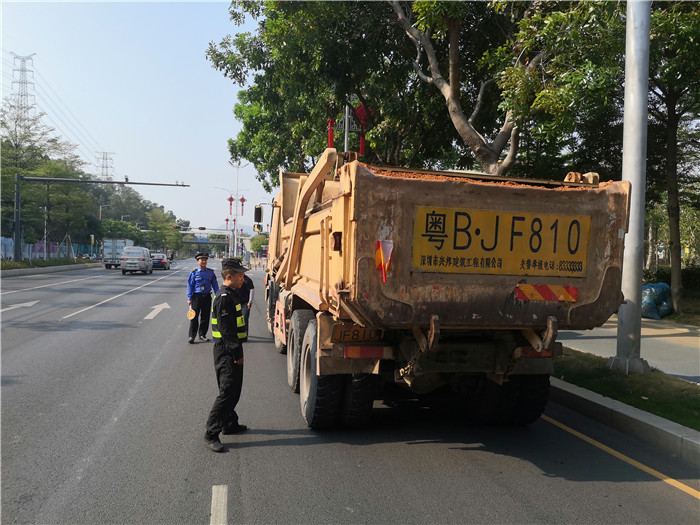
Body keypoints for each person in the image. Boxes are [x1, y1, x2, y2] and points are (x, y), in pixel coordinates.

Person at [205, 257, 250, 452]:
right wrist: (236, 352)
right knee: (228, 392)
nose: (243, 279)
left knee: (233, 390)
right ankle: (211, 433)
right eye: (240, 275)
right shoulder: (224, 297)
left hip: (229, 349)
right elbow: (226, 330)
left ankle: (229, 424)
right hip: (226, 351)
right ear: (229, 276)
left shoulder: (231, 294)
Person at [186, 252, 219, 344]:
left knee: (205, 317)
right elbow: (190, 286)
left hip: (207, 297)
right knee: (194, 317)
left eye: (205, 260)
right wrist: (189, 298)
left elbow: (215, 285)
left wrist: (218, 295)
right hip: (196, 297)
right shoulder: (194, 273)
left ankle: (202, 334)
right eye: (202, 260)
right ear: (198, 261)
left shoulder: (210, 272)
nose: (204, 261)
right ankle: (192, 336)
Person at [234, 271, 255, 340]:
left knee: (244, 319)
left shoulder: (247, 280)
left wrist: (250, 301)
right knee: (234, 319)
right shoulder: (235, 279)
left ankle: (244, 335)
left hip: (245, 303)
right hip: (235, 303)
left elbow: (252, 290)